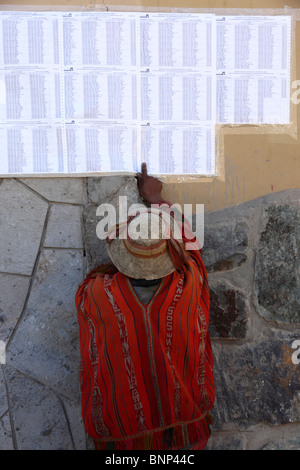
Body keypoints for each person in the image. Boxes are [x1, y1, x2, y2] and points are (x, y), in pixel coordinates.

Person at [75, 163, 215, 450]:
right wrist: (156, 198)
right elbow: (193, 246)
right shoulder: (189, 284)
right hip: (184, 427)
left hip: (123, 433)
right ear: (170, 252)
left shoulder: (97, 294)